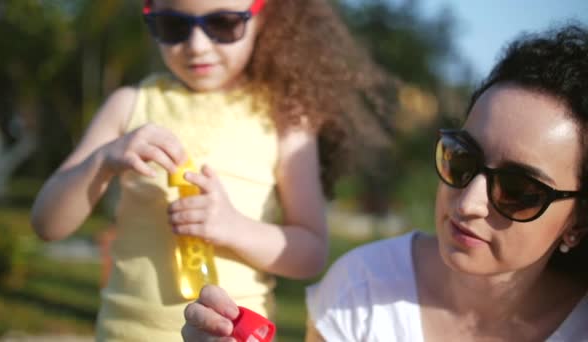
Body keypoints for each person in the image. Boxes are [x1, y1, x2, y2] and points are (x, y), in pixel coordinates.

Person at [181, 24, 588, 341]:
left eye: (517, 191)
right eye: (463, 159)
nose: (468, 203)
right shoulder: (362, 288)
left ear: (577, 223)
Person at [30, 0, 390, 340]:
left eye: (223, 23)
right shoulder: (128, 106)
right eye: (173, 26)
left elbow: (311, 252)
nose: (197, 45)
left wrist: (232, 227)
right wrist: (102, 161)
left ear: (262, 16)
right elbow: (47, 224)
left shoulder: (286, 118)